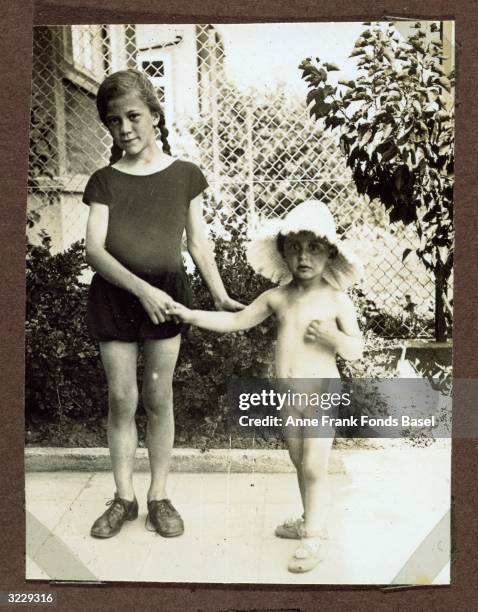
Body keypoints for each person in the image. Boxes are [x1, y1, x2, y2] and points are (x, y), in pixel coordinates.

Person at [83, 69, 242, 539]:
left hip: (168, 296)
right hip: (117, 296)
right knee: (121, 398)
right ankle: (124, 498)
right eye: (113, 121)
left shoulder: (185, 175)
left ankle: (158, 496)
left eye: (133, 116)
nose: (124, 128)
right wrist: (143, 290)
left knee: (157, 397)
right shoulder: (104, 181)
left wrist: (220, 294)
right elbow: (95, 250)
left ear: (154, 115)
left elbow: (198, 243)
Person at [167, 200, 363, 572]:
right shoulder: (277, 297)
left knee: (314, 466)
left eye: (314, 248)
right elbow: (238, 320)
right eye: (294, 247)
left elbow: (356, 349)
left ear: (331, 254)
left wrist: (334, 338)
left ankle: (314, 538)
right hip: (288, 396)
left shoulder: (337, 301)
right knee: (298, 461)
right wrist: (190, 314)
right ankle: (310, 518)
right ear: (283, 252)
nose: (303, 256)